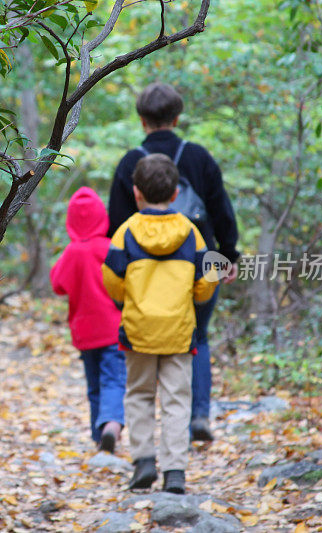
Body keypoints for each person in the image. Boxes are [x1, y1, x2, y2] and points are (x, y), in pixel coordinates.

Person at [107, 82, 239, 442]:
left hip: (142, 273)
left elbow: (116, 224)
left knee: (145, 340)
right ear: (177, 118)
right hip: (198, 263)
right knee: (198, 336)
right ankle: (197, 416)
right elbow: (222, 211)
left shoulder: (130, 162)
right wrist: (228, 256)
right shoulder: (199, 157)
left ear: (141, 120)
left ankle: (145, 431)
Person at [103, 153, 218, 493]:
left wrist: (127, 299)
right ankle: (175, 472)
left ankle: (143, 462)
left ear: (136, 193)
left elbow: (111, 276)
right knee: (176, 400)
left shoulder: (126, 233)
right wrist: (195, 299)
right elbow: (206, 280)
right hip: (179, 333)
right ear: (174, 195)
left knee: (138, 395)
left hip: (137, 332)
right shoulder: (191, 233)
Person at [50, 187, 126, 453]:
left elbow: (57, 284)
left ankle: (98, 436)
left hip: (85, 333)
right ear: (101, 217)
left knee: (94, 385)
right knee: (114, 380)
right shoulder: (110, 248)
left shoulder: (72, 252)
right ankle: (112, 425)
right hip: (113, 330)